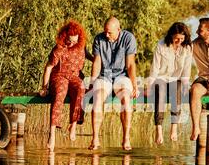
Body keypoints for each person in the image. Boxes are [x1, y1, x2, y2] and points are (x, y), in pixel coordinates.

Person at [88, 17, 138, 151]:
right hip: (104, 76)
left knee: (126, 99)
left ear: (118, 30)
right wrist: (92, 82)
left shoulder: (128, 38)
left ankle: (126, 138)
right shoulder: (99, 39)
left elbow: (130, 64)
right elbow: (97, 62)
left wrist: (134, 85)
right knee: (98, 98)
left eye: (109, 32)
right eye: (105, 31)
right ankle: (95, 138)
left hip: (122, 76)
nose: (106, 34)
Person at [39, 20, 86, 151]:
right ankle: (52, 134)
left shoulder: (80, 47)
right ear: (65, 36)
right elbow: (48, 67)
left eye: (75, 41)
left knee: (81, 88)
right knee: (60, 93)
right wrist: (44, 87)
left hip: (74, 76)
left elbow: (90, 57)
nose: (72, 43)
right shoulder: (59, 48)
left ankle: (73, 125)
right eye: (70, 41)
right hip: (59, 75)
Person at [147, 22, 192, 145]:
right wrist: (150, 84)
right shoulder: (161, 45)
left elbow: (187, 69)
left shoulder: (187, 48)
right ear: (171, 35)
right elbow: (155, 68)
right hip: (161, 78)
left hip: (175, 80)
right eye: (177, 38)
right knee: (160, 91)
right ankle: (159, 129)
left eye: (182, 38)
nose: (179, 41)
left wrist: (185, 84)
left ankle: (174, 127)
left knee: (176, 89)